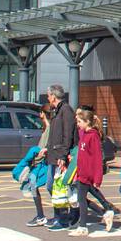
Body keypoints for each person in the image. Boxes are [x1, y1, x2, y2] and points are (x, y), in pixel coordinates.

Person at [70, 108, 117, 235]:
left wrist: (97, 178)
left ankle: (83, 227)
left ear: (87, 122)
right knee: (81, 199)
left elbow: (97, 159)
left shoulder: (93, 137)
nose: (78, 124)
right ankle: (105, 212)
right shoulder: (84, 134)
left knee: (81, 200)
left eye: (80, 121)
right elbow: (81, 149)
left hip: (88, 174)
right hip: (81, 172)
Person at [44, 84, 78, 230]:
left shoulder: (66, 110)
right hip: (54, 154)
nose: (47, 98)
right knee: (52, 186)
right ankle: (61, 215)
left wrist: (63, 155)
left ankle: (64, 218)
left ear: (53, 96)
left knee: (58, 187)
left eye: (48, 95)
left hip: (60, 156)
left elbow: (68, 134)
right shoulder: (56, 111)